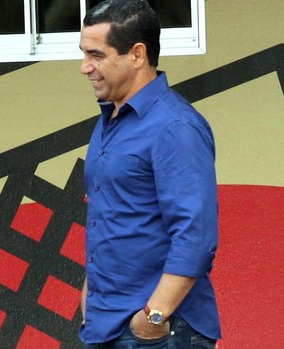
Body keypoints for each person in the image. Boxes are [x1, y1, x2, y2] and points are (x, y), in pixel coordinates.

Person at [78, 0, 221, 348]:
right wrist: (89, 302)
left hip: (158, 332)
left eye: (97, 54)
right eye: (83, 53)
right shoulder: (112, 119)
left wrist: (154, 317)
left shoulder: (175, 126)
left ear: (137, 54)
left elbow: (195, 235)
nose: (85, 67)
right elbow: (110, 217)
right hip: (106, 324)